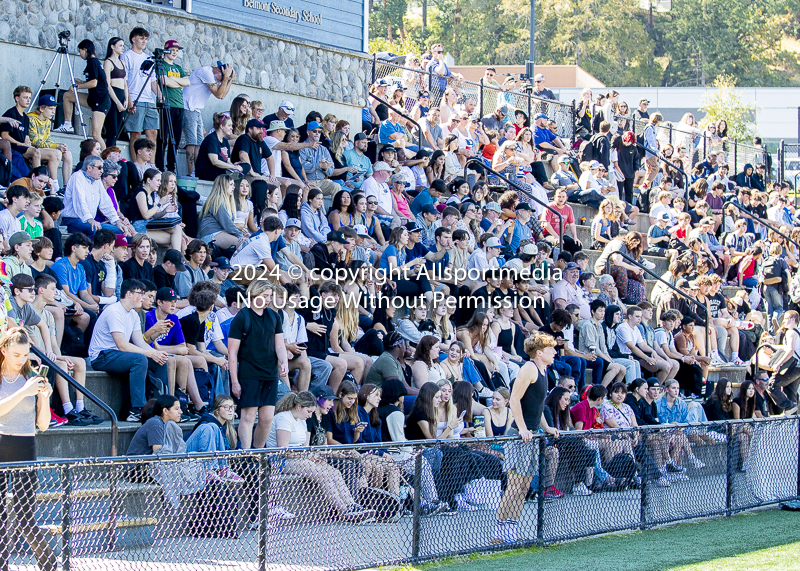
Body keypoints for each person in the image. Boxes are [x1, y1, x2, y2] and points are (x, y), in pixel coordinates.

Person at [265, 390, 376, 522]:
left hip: (299, 457)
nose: (310, 415)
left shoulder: (301, 419)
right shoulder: (284, 418)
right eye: (309, 411)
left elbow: (304, 448)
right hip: (280, 460)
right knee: (321, 473)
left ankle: (352, 505)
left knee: (334, 473)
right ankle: (344, 510)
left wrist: (313, 456)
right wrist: (306, 456)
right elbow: (284, 451)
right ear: (299, 407)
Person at [493, 333, 559, 545]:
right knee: (513, 486)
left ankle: (511, 527)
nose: (555, 353)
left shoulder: (544, 370)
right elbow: (514, 399)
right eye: (551, 349)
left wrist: (547, 427)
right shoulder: (529, 368)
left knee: (523, 487)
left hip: (531, 435)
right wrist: (522, 428)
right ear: (539, 352)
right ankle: (498, 531)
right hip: (519, 436)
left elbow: (537, 406)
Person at [0, 327, 56, 571]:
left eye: (25, 355)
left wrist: (44, 398)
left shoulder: (32, 378)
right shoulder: (9, 379)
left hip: (25, 445)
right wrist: (24, 392)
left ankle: (49, 563)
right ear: (3, 351)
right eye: (16, 355)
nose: (21, 360)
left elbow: (42, 425)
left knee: (25, 519)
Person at [88, 279, 169, 422]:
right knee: (140, 359)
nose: (143, 297)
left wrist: (156, 354)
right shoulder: (114, 311)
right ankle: (137, 410)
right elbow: (122, 345)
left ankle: (157, 406)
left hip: (118, 355)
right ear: (128, 294)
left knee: (161, 361)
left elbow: (139, 342)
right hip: (102, 356)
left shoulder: (133, 314)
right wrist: (150, 353)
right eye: (141, 293)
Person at [228, 280, 289, 449]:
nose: (269, 299)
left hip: (269, 372)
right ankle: (246, 454)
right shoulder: (242, 316)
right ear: (254, 295)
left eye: (270, 296)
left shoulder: (274, 316)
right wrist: (234, 380)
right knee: (248, 416)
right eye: (265, 295)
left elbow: (279, 345)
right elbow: (232, 352)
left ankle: (258, 451)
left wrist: (283, 362)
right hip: (249, 372)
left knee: (267, 417)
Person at [119, 28, 159, 158]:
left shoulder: (148, 58)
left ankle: (151, 164)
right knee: (135, 133)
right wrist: (129, 101)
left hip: (149, 101)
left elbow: (153, 81)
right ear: (133, 39)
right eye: (141, 38)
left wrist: (161, 96)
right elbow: (124, 81)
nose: (144, 41)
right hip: (135, 98)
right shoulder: (126, 56)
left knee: (152, 132)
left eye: (146, 39)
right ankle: (136, 163)